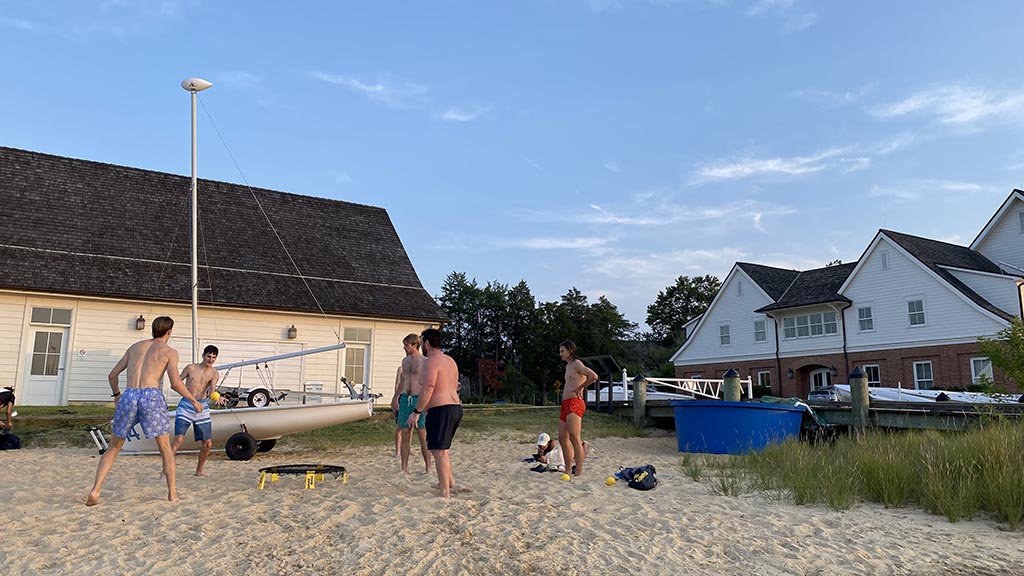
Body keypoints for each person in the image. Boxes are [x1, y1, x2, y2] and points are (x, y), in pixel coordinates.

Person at [86, 316, 203, 506]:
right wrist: (193, 400)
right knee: (165, 448)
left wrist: (116, 394)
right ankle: (172, 494)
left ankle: (95, 490)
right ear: (169, 332)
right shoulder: (169, 352)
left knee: (114, 447)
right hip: (151, 397)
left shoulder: (135, 348)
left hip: (129, 395)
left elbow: (112, 375)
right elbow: (175, 383)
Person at [407, 328, 462, 497]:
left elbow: (429, 388)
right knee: (443, 449)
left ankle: (444, 491)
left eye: (422, 342)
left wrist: (417, 411)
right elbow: (455, 385)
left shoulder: (431, 361)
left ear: (427, 343)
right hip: (455, 408)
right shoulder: (450, 360)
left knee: (439, 451)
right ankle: (448, 482)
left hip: (442, 409)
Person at [170, 344, 222, 477]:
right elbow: (176, 383)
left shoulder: (214, 373)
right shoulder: (191, 368)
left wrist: (217, 397)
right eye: (209, 356)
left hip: (202, 406)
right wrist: (184, 390)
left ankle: (199, 471)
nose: (210, 360)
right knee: (179, 439)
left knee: (207, 444)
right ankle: (166, 470)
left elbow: (212, 390)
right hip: (186, 405)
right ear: (203, 355)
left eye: (213, 358)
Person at [558, 340, 597, 477]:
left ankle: (578, 472)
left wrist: (579, 388)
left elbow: (593, 376)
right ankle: (568, 469)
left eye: (562, 351)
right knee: (562, 437)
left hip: (575, 402)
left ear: (570, 351)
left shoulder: (577, 364)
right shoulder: (568, 366)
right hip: (565, 404)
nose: (560, 354)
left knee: (575, 437)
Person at [394, 334, 430, 474]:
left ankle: (428, 466)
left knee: (422, 434)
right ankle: (404, 467)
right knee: (405, 433)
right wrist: (395, 397)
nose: (404, 347)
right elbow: (402, 381)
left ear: (415, 345)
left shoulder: (424, 361)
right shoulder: (405, 361)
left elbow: (429, 383)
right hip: (405, 398)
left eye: (407, 345)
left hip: (418, 398)